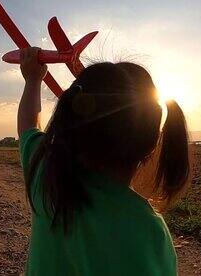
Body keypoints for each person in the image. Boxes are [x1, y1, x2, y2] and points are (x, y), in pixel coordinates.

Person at [17, 47, 191, 275]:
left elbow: (28, 126)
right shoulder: (148, 230)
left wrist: (32, 80)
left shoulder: (46, 176)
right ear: (150, 143)